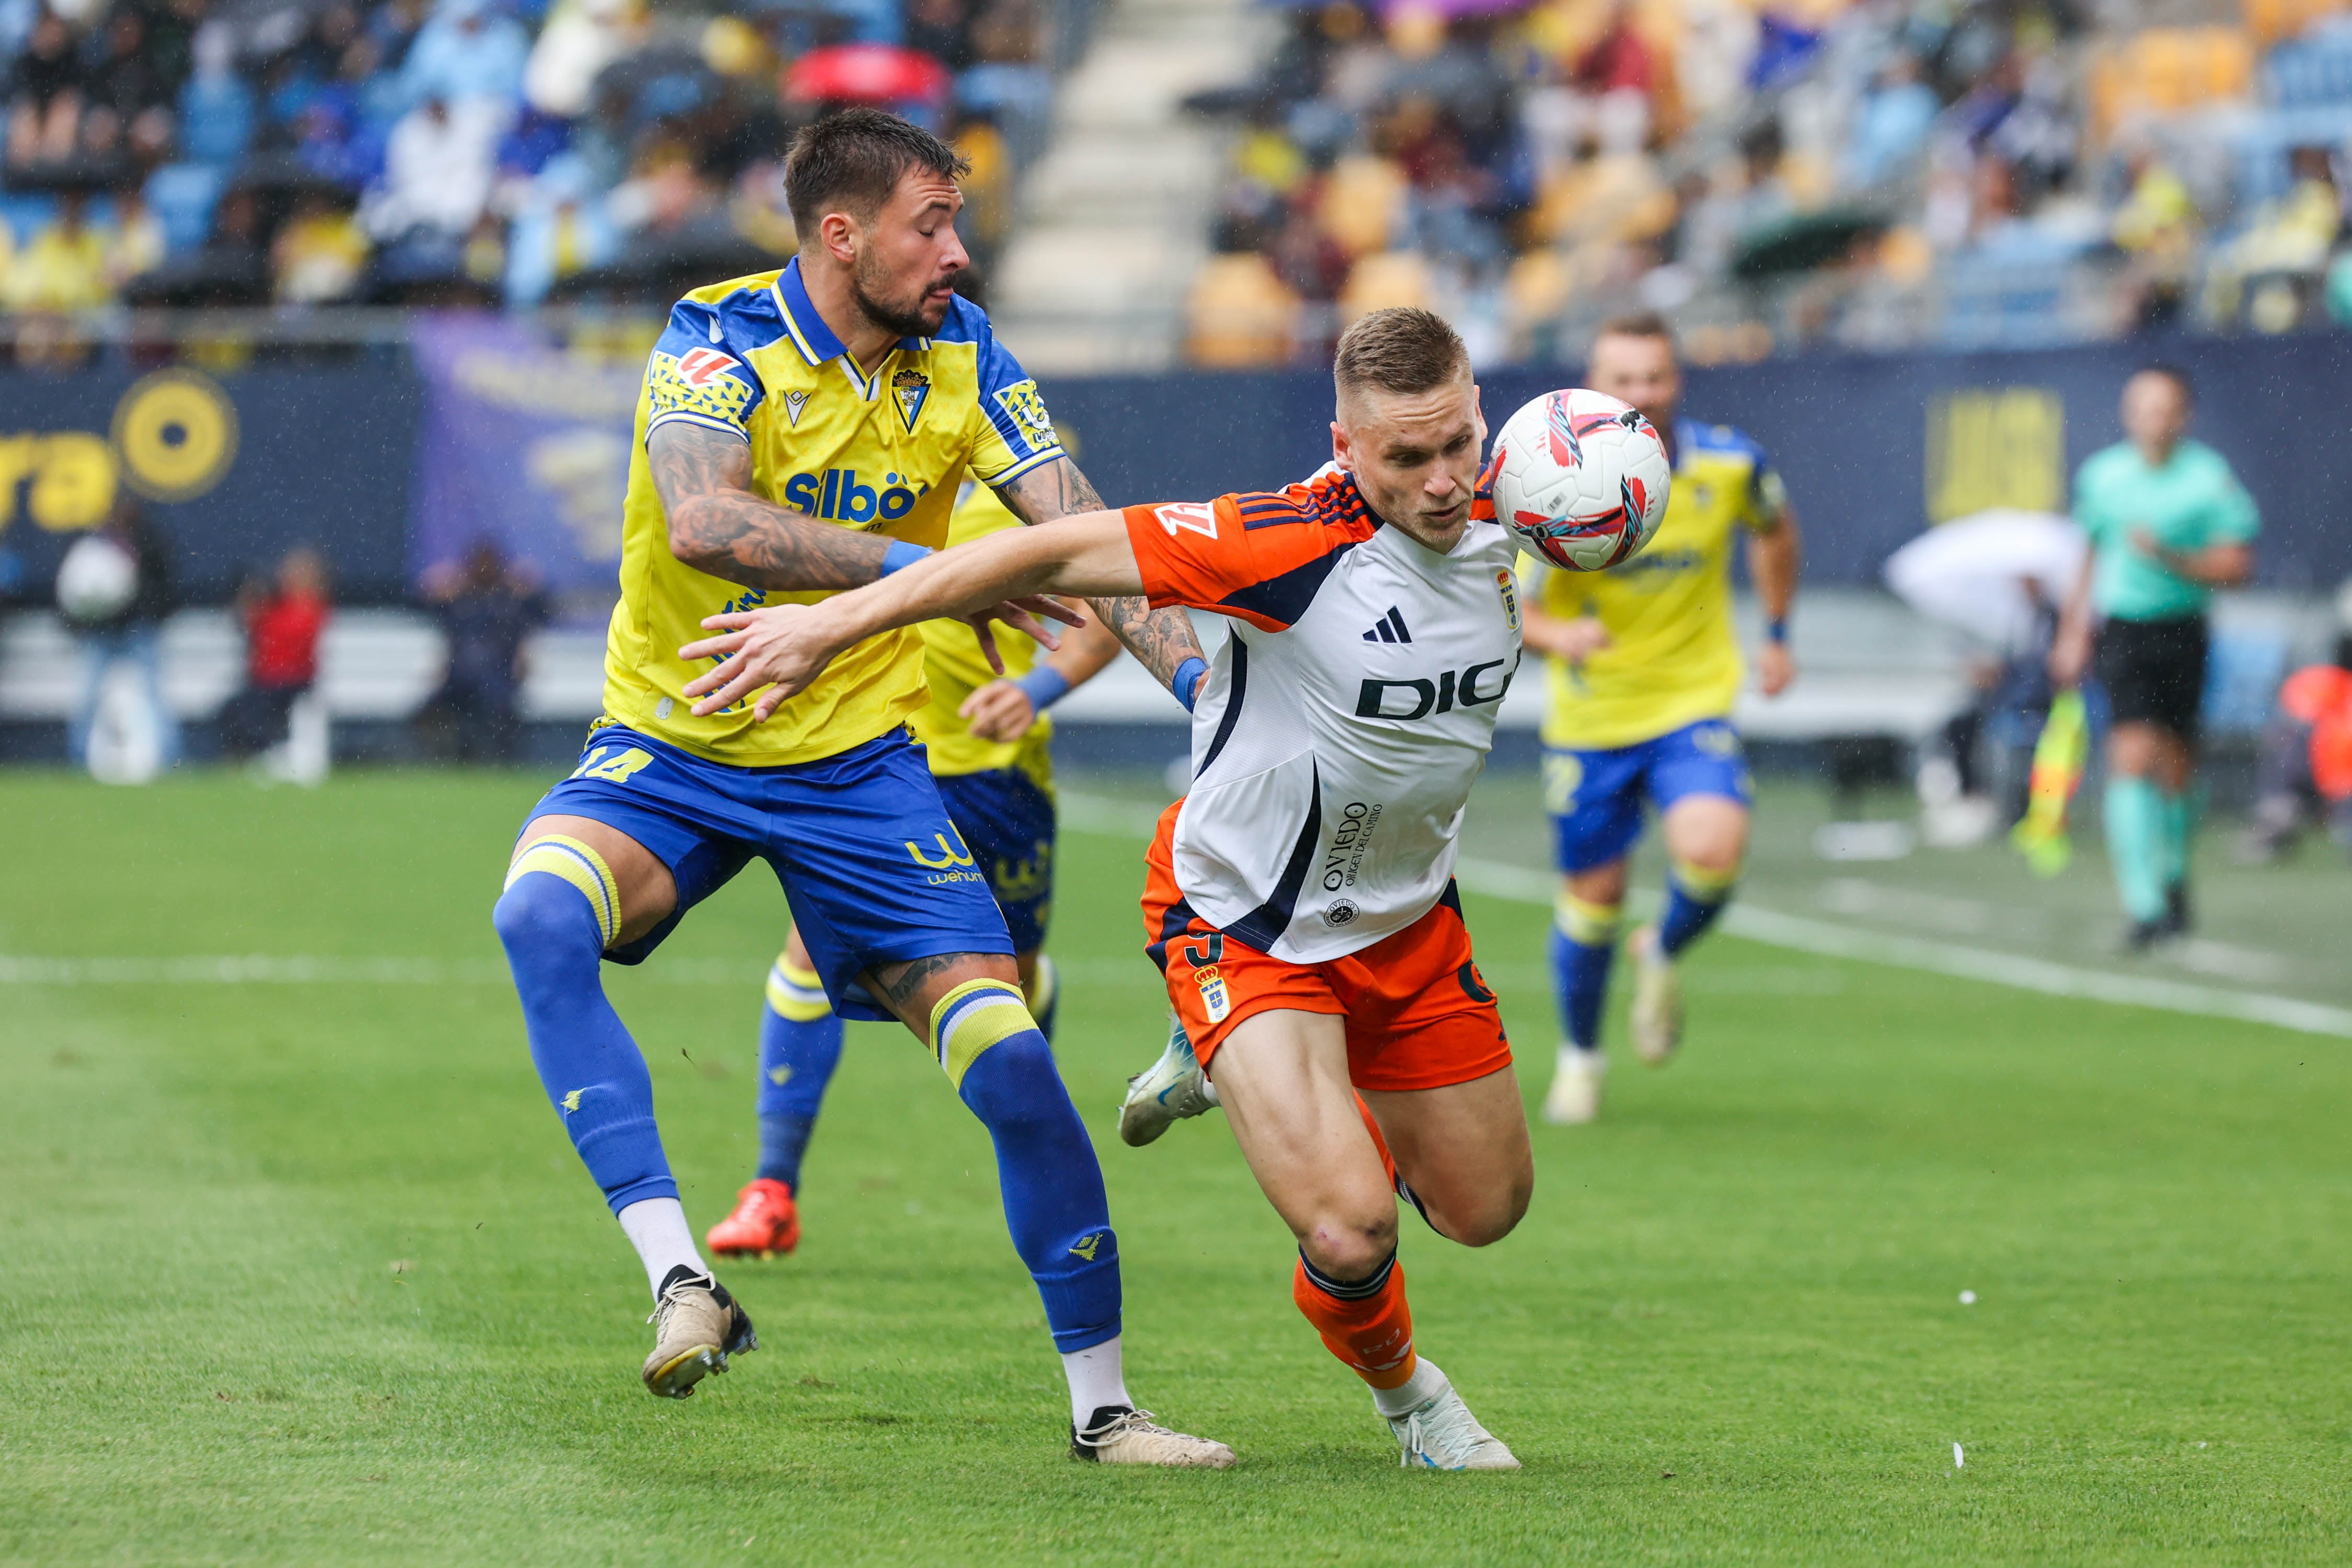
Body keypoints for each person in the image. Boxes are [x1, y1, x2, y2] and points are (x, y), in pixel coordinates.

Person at [486, 108, 1226, 1466]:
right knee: (536, 918)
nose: (956, 251)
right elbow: (706, 520)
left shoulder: (968, 354)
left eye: (956, 222)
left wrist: (1207, 696)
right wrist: (924, 570)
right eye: (929, 225)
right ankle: (683, 1278)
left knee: (1012, 1069)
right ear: (841, 234)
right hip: (679, 739)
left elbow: (1077, 531)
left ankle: (1105, 1411)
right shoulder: (716, 340)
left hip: (858, 772)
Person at [685, 307, 1534, 1472]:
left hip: (1407, 919)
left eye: (1458, 445)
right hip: (1245, 922)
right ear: (1345, 443)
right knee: (1350, 1226)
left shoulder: (1527, 501)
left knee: (1487, 1211)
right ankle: (1414, 1403)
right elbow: (1040, 554)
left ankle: (1232, 1071)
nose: (1443, 483)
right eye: (1406, 459)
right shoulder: (1276, 542)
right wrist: (833, 621)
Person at [704, 475, 1143, 1261]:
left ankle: (1034, 1149)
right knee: (806, 951)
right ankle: (771, 1191)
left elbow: (1108, 614)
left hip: (996, 782)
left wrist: (1037, 689)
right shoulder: (850, 487)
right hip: (873, 767)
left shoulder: (1016, 497)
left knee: (1008, 981)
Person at [1517, 312, 1800, 1126]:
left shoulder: (1730, 463)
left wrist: (1777, 632)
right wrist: (1559, 633)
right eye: (1624, 379)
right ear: (1593, 387)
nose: (1641, 394)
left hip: (1692, 701)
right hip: (1593, 716)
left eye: (1655, 377)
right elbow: (1502, 605)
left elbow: (1776, 530)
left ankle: (1665, 946)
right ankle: (1581, 1058)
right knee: (1594, 900)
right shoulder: (1549, 481)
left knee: (1713, 852)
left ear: (1677, 380)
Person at [2050, 365, 2258, 950]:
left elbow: (2239, 565)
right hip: (2125, 630)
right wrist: (2072, 631)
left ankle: (2174, 878)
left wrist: (2172, 558)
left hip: (2183, 629)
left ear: (2183, 416)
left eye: (2164, 408)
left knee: (2176, 765)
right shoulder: (2104, 476)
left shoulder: (2209, 479)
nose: (2152, 419)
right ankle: (2143, 905)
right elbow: (2088, 554)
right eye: (2142, 407)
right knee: (2131, 752)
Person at [64, 501, 180, 773]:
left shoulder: (147, 542)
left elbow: (164, 587)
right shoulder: (93, 546)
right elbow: (73, 589)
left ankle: (170, 755)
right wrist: (82, 620)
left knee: (154, 693)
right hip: (101, 628)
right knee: (88, 695)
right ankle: (78, 757)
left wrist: (144, 607)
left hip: (138, 627)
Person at [420, 540, 550, 764]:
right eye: (479, 564)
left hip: (499, 677)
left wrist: (530, 587)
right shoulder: (461, 599)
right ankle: (456, 755)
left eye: (489, 564)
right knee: (433, 712)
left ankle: (498, 758)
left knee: (495, 705)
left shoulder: (509, 600)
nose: (484, 569)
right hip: (460, 678)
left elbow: (542, 612)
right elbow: (428, 606)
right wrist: (435, 587)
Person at [218, 548, 331, 758]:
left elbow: (294, 638)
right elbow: (247, 623)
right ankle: (248, 758)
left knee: (254, 711)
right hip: (265, 681)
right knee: (234, 710)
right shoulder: (277, 605)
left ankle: (267, 756)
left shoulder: (311, 608)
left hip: (291, 682)